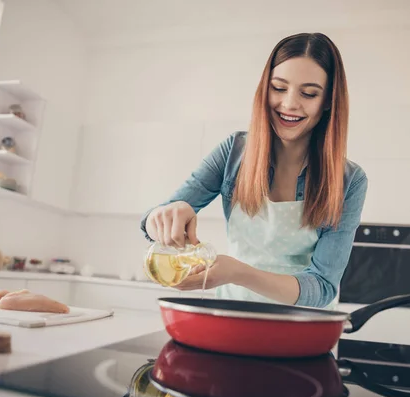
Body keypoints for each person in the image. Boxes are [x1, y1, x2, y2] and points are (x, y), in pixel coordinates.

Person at [140, 32, 368, 309]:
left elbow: (322, 287)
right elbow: (155, 219)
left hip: (304, 330)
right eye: (279, 88)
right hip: (233, 320)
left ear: (328, 101)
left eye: (309, 93)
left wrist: (238, 273)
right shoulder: (234, 152)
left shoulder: (349, 181)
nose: (289, 104)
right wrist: (163, 217)